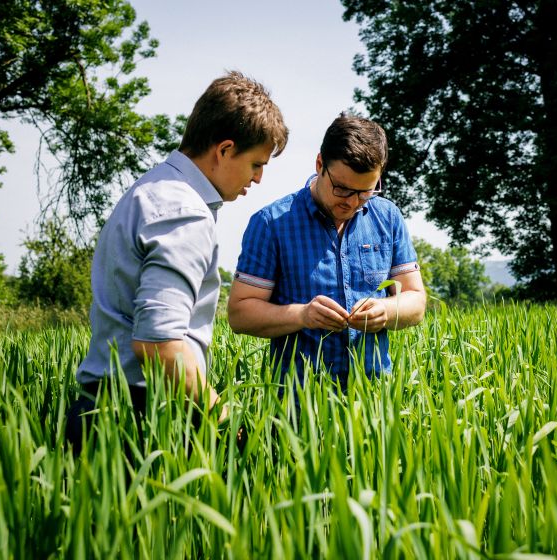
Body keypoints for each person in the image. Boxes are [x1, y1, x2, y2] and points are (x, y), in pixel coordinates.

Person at [67, 72, 288, 453]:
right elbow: (159, 344)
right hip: (139, 422)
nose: (258, 178)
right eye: (256, 164)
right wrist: (223, 419)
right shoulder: (185, 213)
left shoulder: (151, 189)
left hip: (103, 409)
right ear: (224, 149)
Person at [227, 115, 425, 394]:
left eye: (365, 192)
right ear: (320, 164)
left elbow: (416, 300)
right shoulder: (271, 223)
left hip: (375, 399)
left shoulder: (388, 217)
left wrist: (385, 311)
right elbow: (240, 314)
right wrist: (302, 315)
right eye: (342, 189)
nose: (352, 203)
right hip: (297, 400)